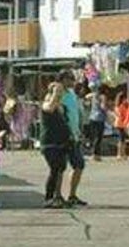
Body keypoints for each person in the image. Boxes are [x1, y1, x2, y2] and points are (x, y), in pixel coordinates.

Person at [57, 72, 88, 207]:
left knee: (79, 165)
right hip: (63, 135)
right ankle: (57, 195)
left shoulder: (71, 94)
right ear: (63, 79)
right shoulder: (58, 93)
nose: (73, 81)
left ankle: (72, 195)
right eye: (70, 79)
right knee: (60, 167)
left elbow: (76, 113)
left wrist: (79, 130)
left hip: (74, 135)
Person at [40, 82, 71, 208]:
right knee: (54, 169)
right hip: (50, 143)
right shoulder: (47, 105)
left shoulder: (61, 107)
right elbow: (50, 107)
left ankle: (57, 196)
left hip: (62, 143)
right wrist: (55, 92)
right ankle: (48, 197)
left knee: (60, 169)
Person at [85, 89, 108, 162]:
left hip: (92, 117)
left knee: (94, 137)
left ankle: (93, 154)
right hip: (100, 118)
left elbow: (86, 97)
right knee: (99, 137)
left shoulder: (94, 96)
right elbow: (103, 107)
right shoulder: (103, 97)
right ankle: (96, 155)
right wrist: (107, 110)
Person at [114, 92, 129, 160]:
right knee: (121, 140)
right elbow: (122, 116)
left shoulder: (118, 106)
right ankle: (120, 154)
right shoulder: (121, 106)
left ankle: (122, 154)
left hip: (120, 124)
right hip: (121, 124)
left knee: (122, 140)